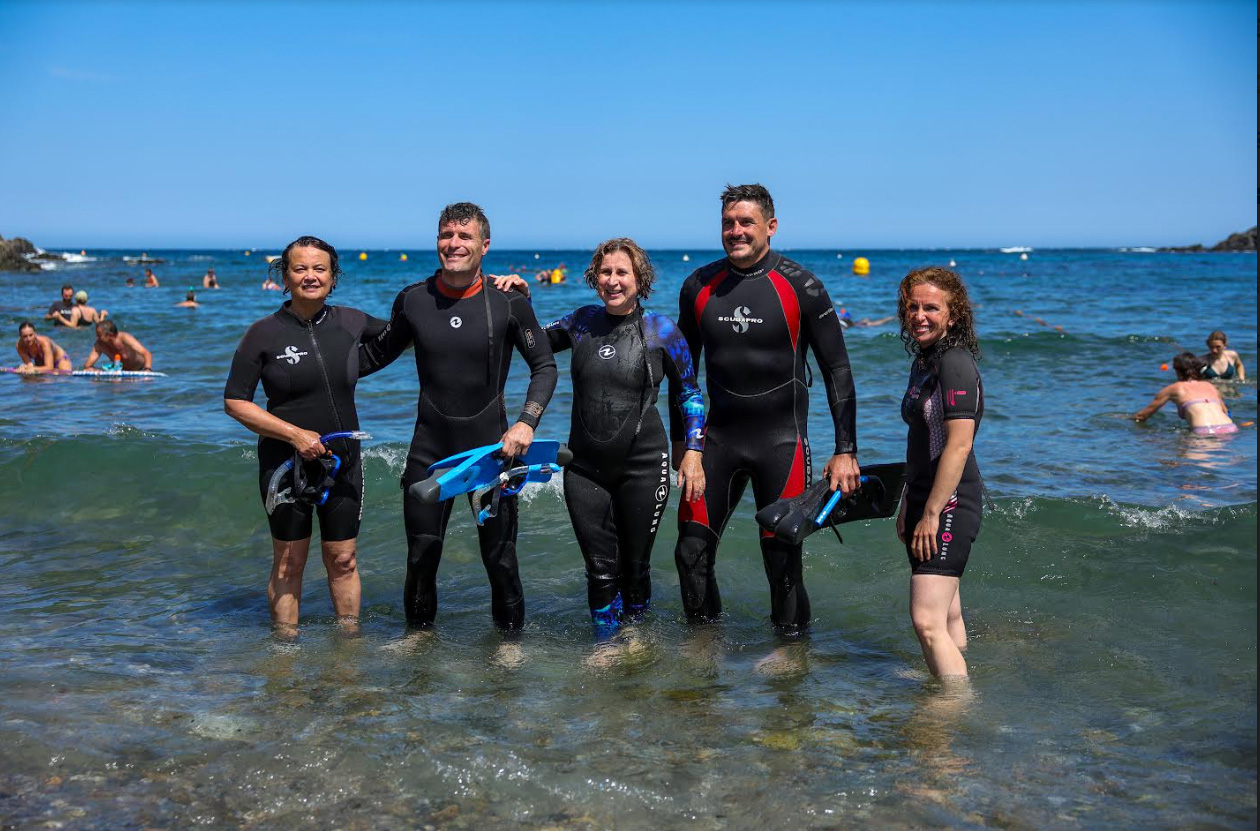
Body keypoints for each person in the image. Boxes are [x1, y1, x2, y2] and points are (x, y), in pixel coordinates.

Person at [360, 202, 557, 632]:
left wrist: (526, 423)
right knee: (420, 558)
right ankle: (418, 650)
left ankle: (508, 652)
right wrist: (310, 361)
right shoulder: (413, 300)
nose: (454, 244)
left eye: (464, 236)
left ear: (484, 245)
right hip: (429, 449)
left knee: (500, 560)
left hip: (491, 453)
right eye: (447, 235)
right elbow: (375, 354)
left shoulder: (509, 303)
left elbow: (545, 366)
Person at [672, 183, 860, 633]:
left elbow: (838, 370)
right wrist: (685, 447)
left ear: (770, 227)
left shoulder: (803, 287)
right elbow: (682, 376)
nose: (735, 231)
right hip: (716, 442)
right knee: (689, 554)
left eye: (746, 222)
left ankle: (790, 664)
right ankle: (704, 653)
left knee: (782, 559)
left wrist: (846, 450)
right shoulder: (698, 286)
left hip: (782, 440)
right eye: (728, 223)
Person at [500, 239, 706, 627]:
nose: (612, 280)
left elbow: (690, 394)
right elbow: (531, 344)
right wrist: (522, 303)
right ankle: (607, 641)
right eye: (605, 273)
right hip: (584, 467)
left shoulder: (661, 330)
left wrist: (693, 452)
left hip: (644, 466)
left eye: (621, 272)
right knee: (598, 568)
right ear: (595, 278)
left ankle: (635, 636)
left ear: (639, 279)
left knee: (635, 567)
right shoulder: (580, 322)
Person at [224, 236, 387, 631]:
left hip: (342, 460)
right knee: (288, 562)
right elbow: (235, 402)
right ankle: (284, 659)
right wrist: (295, 435)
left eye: (320, 269)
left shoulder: (353, 321)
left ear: (333, 277)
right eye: (300, 268)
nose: (310, 276)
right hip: (285, 464)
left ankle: (347, 653)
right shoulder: (262, 334)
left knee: (344, 559)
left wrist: (493, 293)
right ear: (284, 275)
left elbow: (419, 328)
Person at [895, 266, 984, 678]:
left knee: (926, 621)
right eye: (913, 307)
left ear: (953, 314)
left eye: (931, 307)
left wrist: (932, 512)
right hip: (924, 499)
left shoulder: (955, 362)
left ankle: (950, 713)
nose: (919, 315)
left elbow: (959, 444)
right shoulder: (925, 362)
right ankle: (952, 698)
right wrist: (908, 504)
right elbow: (921, 444)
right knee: (947, 617)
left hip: (948, 502)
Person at [1134, 352, 1237, 435]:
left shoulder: (1174, 388)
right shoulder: (1210, 386)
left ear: (1177, 371)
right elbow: (1225, 412)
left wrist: (1125, 419)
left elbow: (1142, 416)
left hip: (1203, 431)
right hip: (1230, 428)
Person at [84, 320, 153, 371]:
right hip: (121, 372)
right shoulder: (99, 344)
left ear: (110, 335)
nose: (97, 337)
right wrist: (94, 370)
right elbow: (87, 365)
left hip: (139, 370)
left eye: (99, 335)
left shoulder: (125, 338)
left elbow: (146, 353)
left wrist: (147, 370)